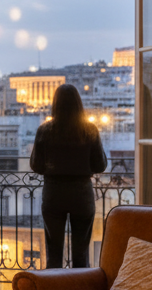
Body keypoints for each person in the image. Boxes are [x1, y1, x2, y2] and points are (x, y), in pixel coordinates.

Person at [29, 84, 107, 270]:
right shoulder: (90, 131)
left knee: (54, 254)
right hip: (82, 195)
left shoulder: (45, 131)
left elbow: (36, 165)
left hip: (54, 194)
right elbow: (100, 165)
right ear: (79, 104)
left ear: (55, 104)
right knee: (81, 254)